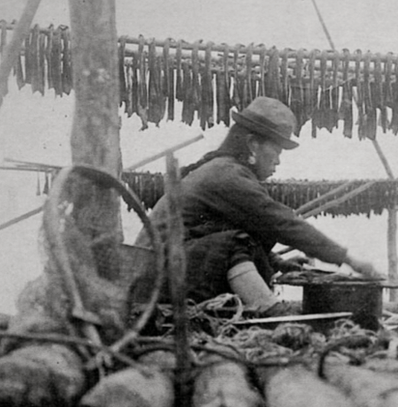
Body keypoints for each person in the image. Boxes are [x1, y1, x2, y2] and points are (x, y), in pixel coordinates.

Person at [138, 96, 380, 316]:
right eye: (275, 150)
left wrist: (277, 263)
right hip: (155, 277)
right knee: (236, 242)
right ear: (253, 144)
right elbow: (280, 222)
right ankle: (270, 313)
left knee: (243, 240)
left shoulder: (223, 171)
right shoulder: (226, 176)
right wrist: (348, 258)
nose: (278, 160)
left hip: (163, 272)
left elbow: (209, 235)